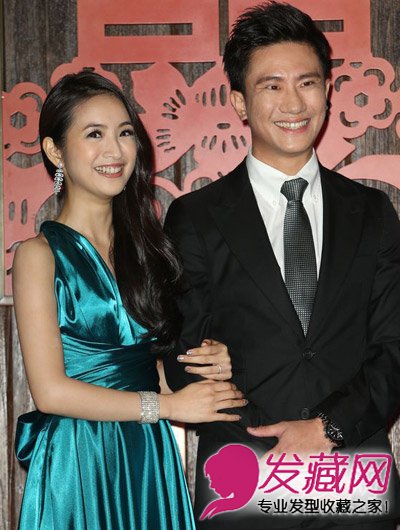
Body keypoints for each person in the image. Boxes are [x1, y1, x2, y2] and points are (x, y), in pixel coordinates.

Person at [163, 2, 400, 529]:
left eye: (307, 83)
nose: (293, 103)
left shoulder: (372, 213)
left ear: (328, 91)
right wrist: (206, 366)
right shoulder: (195, 218)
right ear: (239, 102)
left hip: (353, 470)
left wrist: (325, 430)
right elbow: (180, 352)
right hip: (244, 473)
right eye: (271, 86)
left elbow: (395, 348)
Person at [12, 70, 247, 530]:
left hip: (144, 455)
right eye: (94, 134)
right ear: (55, 151)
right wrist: (169, 408)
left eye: (124, 133)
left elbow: (147, 367)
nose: (115, 150)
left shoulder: (146, 250)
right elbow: (50, 391)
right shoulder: (38, 255)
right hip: (78, 456)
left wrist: (206, 363)